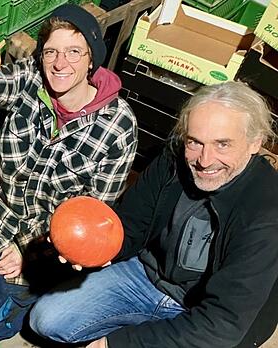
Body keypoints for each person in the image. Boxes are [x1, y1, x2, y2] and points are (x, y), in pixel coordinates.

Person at [0, 4, 138, 340]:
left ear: (91, 59)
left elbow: (92, 217)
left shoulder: (117, 127)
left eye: (73, 52)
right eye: (51, 51)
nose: (59, 63)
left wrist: (33, 249)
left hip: (39, 246)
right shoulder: (30, 78)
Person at [29, 81, 278, 347]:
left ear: (255, 143)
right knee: (46, 319)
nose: (205, 160)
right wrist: (97, 249)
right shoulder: (173, 159)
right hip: (146, 276)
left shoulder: (267, 210)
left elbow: (222, 324)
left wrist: (114, 343)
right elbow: (132, 223)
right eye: (195, 142)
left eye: (223, 145)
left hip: (201, 310)